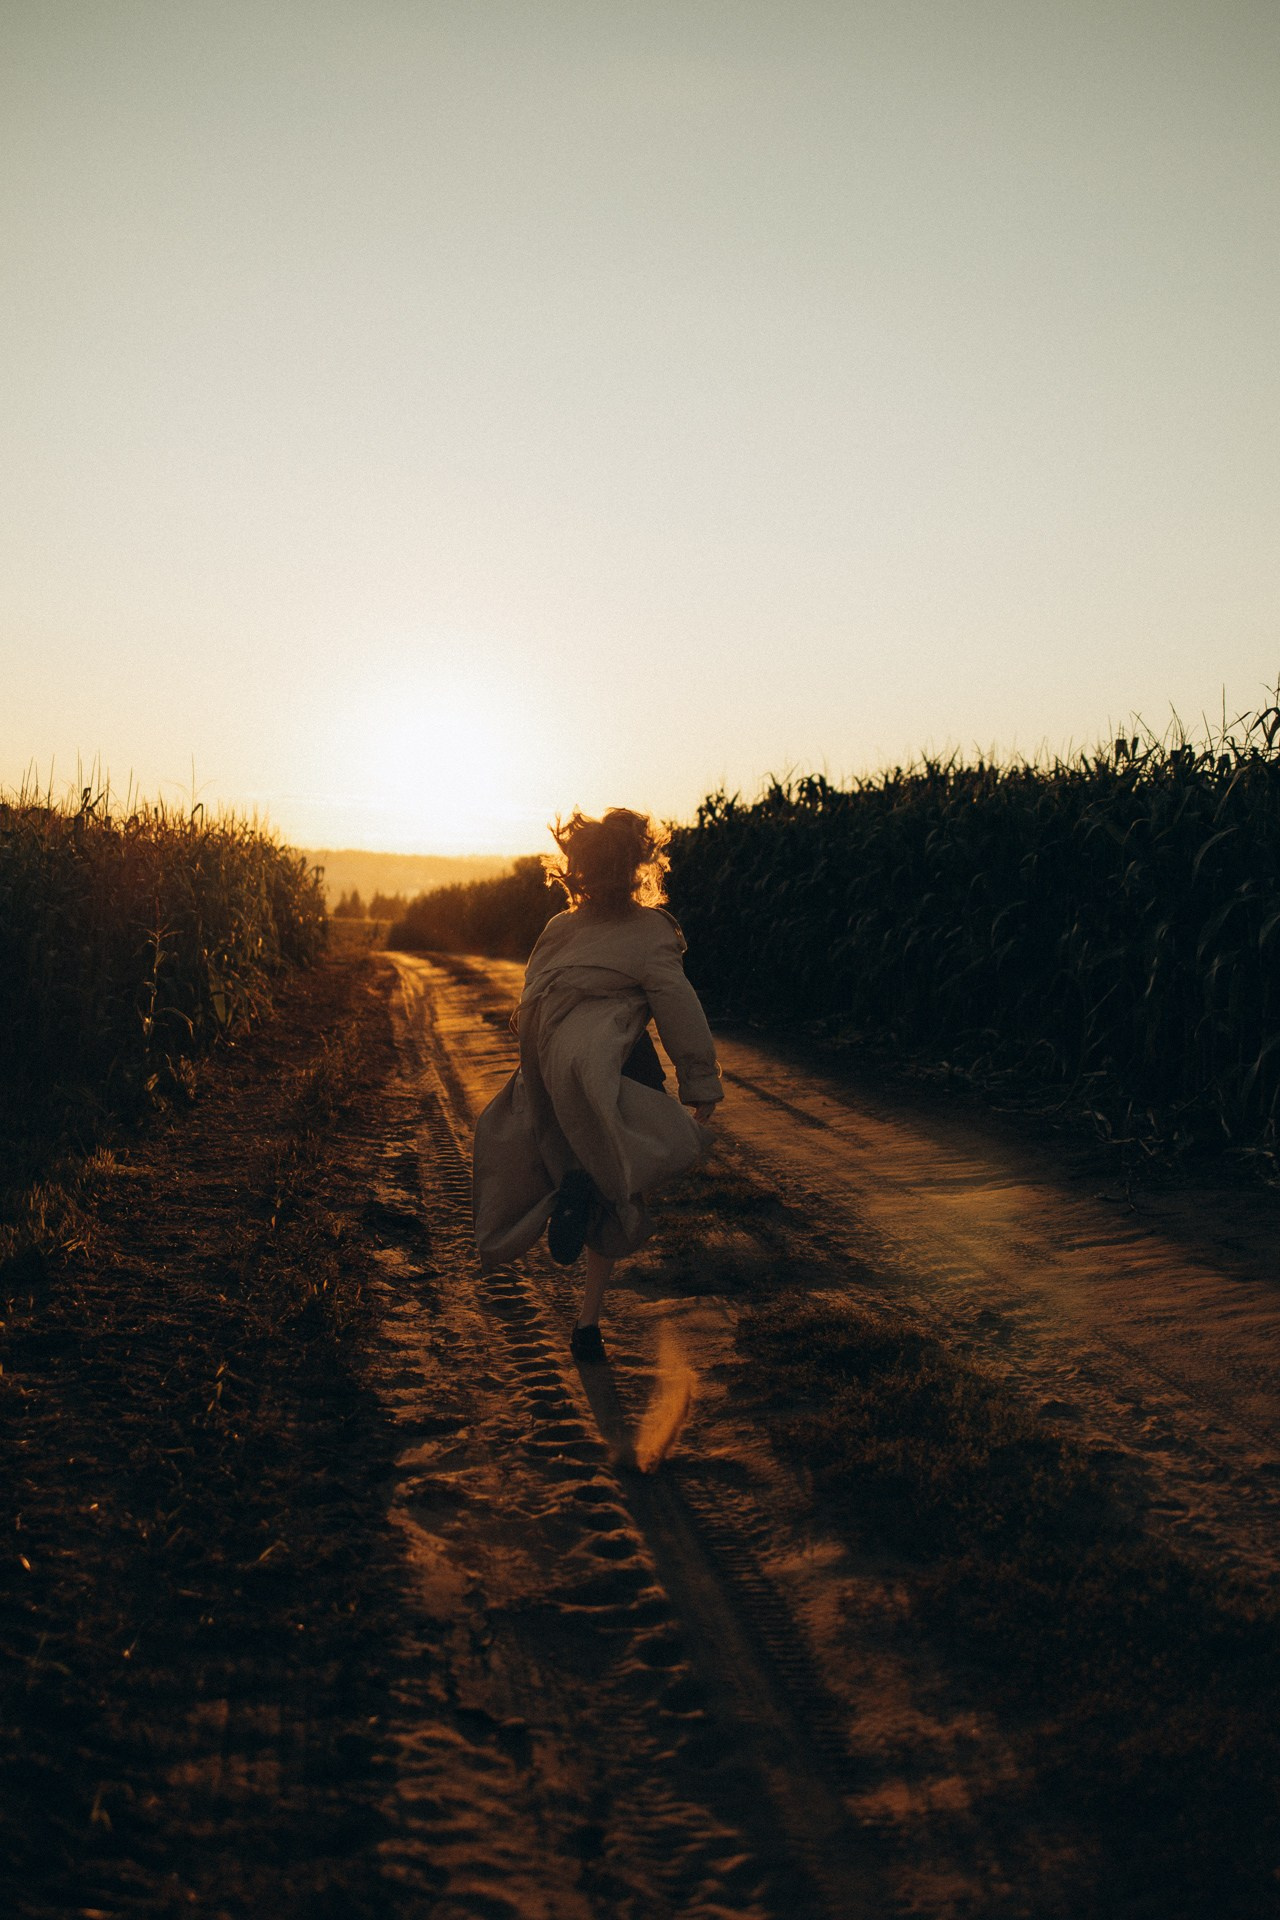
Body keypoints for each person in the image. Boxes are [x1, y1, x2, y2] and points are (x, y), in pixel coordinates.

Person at [472, 808, 723, 1362]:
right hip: (620, 1063)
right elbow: (676, 1002)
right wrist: (698, 1080)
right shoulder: (652, 929)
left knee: (564, 1154)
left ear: (578, 870)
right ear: (641, 866)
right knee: (621, 1176)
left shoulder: (559, 929)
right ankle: (588, 1321)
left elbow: (530, 997)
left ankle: (570, 1193)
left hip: (554, 1062)